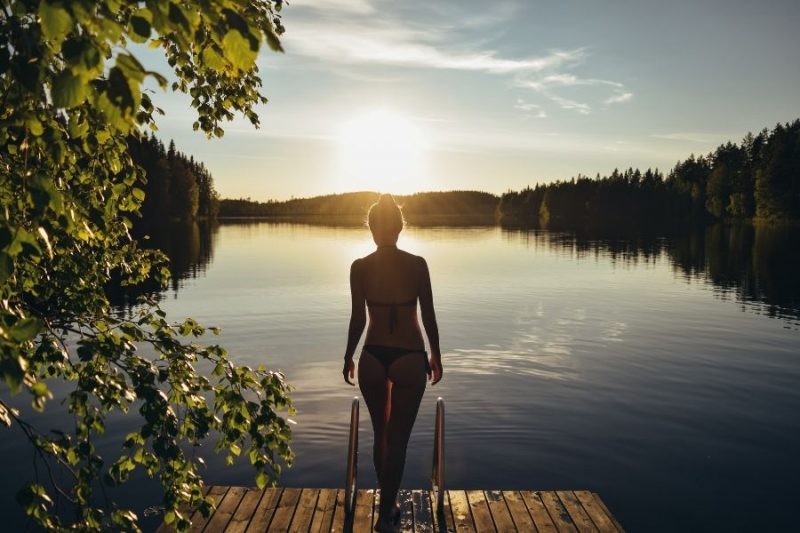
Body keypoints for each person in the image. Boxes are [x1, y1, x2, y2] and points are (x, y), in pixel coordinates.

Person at [342, 194, 443, 532]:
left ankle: (387, 504)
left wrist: (348, 356)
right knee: (397, 442)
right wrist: (436, 355)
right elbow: (427, 315)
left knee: (380, 437)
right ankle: (386, 515)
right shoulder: (417, 264)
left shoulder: (360, 266)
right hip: (409, 358)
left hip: (371, 357)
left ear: (372, 228)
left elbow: (358, 318)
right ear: (400, 228)